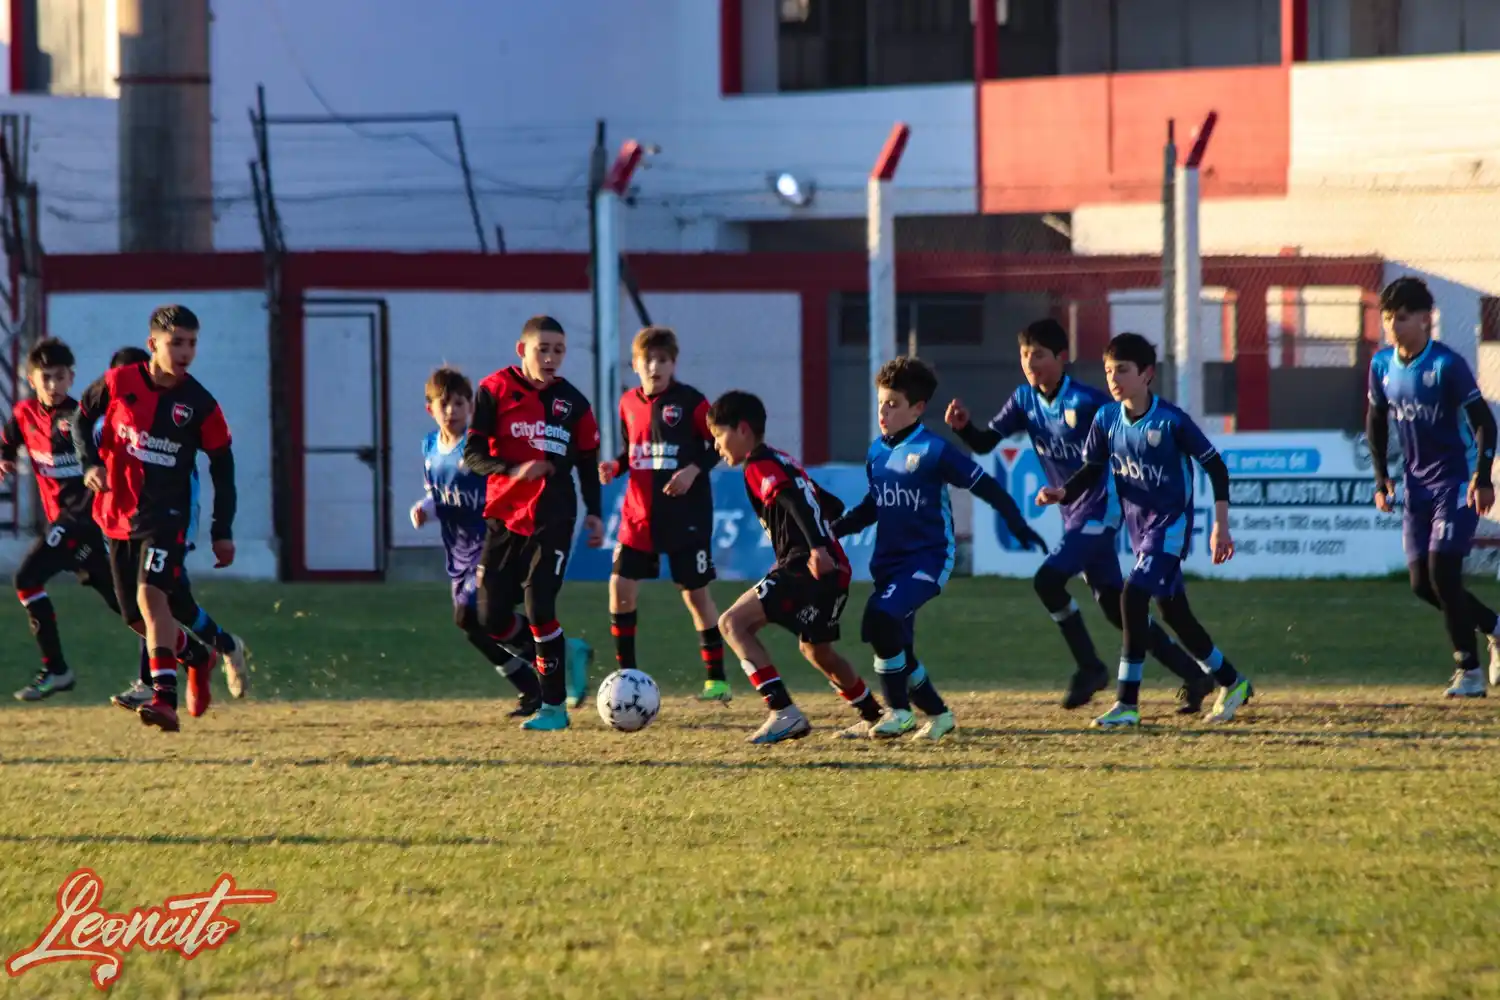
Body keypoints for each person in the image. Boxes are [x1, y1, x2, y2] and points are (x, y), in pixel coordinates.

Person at [946, 318, 1214, 712]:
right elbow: (986, 444)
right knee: (1114, 607)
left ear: (1061, 357)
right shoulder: (1024, 400)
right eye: (1024, 355)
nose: (1030, 362)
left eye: (1038, 354)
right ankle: (1194, 674)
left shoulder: (1088, 402)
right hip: (1071, 512)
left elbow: (1127, 429)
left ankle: (1090, 667)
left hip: (1101, 508)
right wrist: (964, 429)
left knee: (1048, 581)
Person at [1038, 333, 1253, 727]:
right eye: (1108, 370)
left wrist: (1220, 527)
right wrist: (1063, 492)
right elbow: (1092, 468)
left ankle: (1127, 703)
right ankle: (1232, 681)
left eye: (1122, 369)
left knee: (1133, 596)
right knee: (1175, 614)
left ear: (1147, 374)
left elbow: (1216, 468)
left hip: (1170, 528)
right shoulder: (1106, 418)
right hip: (1139, 532)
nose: (1113, 378)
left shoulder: (1172, 421)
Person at [831, 356, 1045, 741]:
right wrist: (836, 528)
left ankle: (898, 713)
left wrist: (1017, 522)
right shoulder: (876, 452)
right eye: (881, 402)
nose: (883, 411)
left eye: (893, 404)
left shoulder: (934, 450)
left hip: (928, 560)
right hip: (889, 564)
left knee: (879, 621)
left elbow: (986, 485)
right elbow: (873, 506)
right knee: (897, 645)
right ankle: (939, 715)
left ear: (917, 408)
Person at [73, 305, 238, 732]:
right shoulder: (118, 382)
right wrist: (89, 464)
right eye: (175, 343)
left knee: (152, 599)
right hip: (118, 516)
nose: (185, 352)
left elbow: (223, 466)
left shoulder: (200, 404)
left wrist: (222, 530)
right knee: (134, 617)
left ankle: (164, 699)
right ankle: (198, 657)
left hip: (168, 517)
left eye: (191, 343)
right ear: (152, 345)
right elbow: (81, 416)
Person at [706, 390, 886, 744]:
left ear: (742, 430)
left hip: (805, 565)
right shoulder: (783, 459)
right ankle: (874, 717)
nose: (716, 446)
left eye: (718, 435)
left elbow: (790, 499)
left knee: (732, 623)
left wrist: (817, 547)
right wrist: (826, 540)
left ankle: (782, 711)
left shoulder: (757, 465)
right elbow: (827, 503)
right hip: (835, 570)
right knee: (816, 649)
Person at [464, 315, 603, 731]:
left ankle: (554, 709)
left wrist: (594, 513)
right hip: (504, 517)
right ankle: (569, 652)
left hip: (553, 517)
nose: (550, 357)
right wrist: (512, 469)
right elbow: (472, 456)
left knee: (540, 607)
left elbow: (587, 464)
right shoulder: (493, 390)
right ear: (521, 349)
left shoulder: (574, 403)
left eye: (558, 350)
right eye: (542, 349)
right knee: (489, 619)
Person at [1366, 275, 1500, 697]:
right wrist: (1380, 476)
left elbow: (1484, 423)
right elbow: (1375, 420)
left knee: (1444, 572)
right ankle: (1496, 628)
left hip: (1454, 484)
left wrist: (1482, 473)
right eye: (1387, 318)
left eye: (1402, 317)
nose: (1393, 326)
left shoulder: (1446, 365)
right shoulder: (1382, 365)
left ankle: (1470, 671)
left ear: (1426, 319)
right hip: (1415, 486)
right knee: (1423, 584)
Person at [101, 346, 250, 712]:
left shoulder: (179, 415)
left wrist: (214, 530)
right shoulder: (107, 416)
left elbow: (210, 472)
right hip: (122, 523)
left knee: (153, 596)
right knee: (163, 606)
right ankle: (216, 649)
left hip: (169, 523)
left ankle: (155, 684)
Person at [599, 326, 728, 701]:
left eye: (663, 360)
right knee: (620, 589)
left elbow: (720, 443)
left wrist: (692, 470)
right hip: (639, 515)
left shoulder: (690, 401)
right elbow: (634, 450)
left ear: (673, 363)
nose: (655, 366)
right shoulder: (627, 403)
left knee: (696, 596)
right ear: (635, 364)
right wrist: (616, 467)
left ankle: (716, 680)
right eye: (647, 360)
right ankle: (626, 677)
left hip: (686, 516)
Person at [411, 365, 546, 716]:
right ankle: (532, 686)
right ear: (431, 409)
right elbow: (436, 494)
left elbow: (499, 486)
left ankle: (552, 663)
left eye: (459, 403)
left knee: (473, 613)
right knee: (470, 622)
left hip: (489, 543)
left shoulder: (476, 447)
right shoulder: (429, 446)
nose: (452, 411)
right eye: (445, 404)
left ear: (471, 406)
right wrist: (424, 508)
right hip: (456, 549)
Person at [2, 338, 121, 701]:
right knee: (127, 604)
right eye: (45, 378)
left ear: (71, 377)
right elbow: (8, 442)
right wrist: (5, 459)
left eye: (59, 377)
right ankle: (193, 653)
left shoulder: (81, 419)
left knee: (26, 577)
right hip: (64, 527)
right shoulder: (23, 415)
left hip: (83, 520)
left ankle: (57, 670)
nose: (53, 386)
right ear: (31, 380)